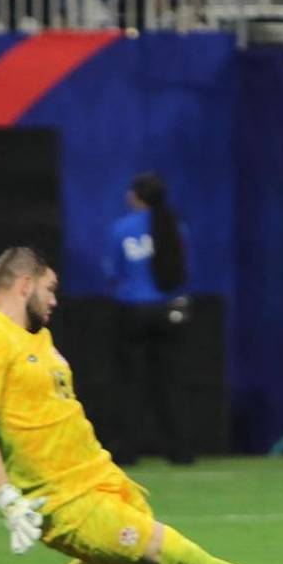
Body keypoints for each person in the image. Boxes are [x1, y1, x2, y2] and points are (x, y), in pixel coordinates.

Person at [0, 247, 283, 564]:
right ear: (25, 284)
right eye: (50, 289)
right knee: (170, 551)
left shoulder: (37, 333)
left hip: (101, 479)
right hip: (64, 501)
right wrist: (7, 498)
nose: (55, 300)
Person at [103, 173, 192, 465]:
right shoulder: (175, 226)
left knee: (130, 382)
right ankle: (179, 448)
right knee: (170, 380)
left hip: (132, 310)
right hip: (168, 311)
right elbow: (182, 271)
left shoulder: (122, 229)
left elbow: (112, 272)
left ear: (136, 197)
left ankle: (127, 449)